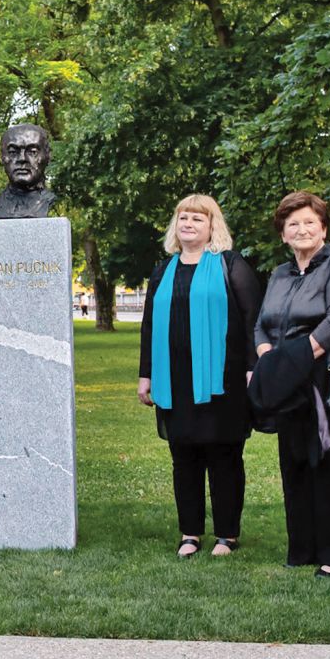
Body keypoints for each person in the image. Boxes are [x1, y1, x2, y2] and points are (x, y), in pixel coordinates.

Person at [255, 191, 330, 576]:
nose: (302, 229)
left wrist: (291, 359)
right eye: (293, 224)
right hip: (292, 379)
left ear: (323, 228)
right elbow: (262, 323)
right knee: (295, 461)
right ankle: (303, 547)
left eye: (310, 222)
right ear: (283, 235)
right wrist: (267, 356)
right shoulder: (279, 273)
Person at [138, 195, 263, 558]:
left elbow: (253, 317)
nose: (189, 224)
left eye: (197, 218)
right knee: (184, 458)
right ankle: (189, 533)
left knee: (224, 456)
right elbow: (149, 326)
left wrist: (253, 366)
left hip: (222, 379)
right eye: (183, 218)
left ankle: (227, 535)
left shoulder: (230, 265)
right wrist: (145, 375)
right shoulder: (163, 270)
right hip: (173, 380)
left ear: (212, 226)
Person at [0, 123, 56, 219]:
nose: (22, 159)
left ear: (47, 156)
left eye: (33, 152)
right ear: (2, 157)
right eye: (13, 152)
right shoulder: (1, 204)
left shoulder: (47, 199)